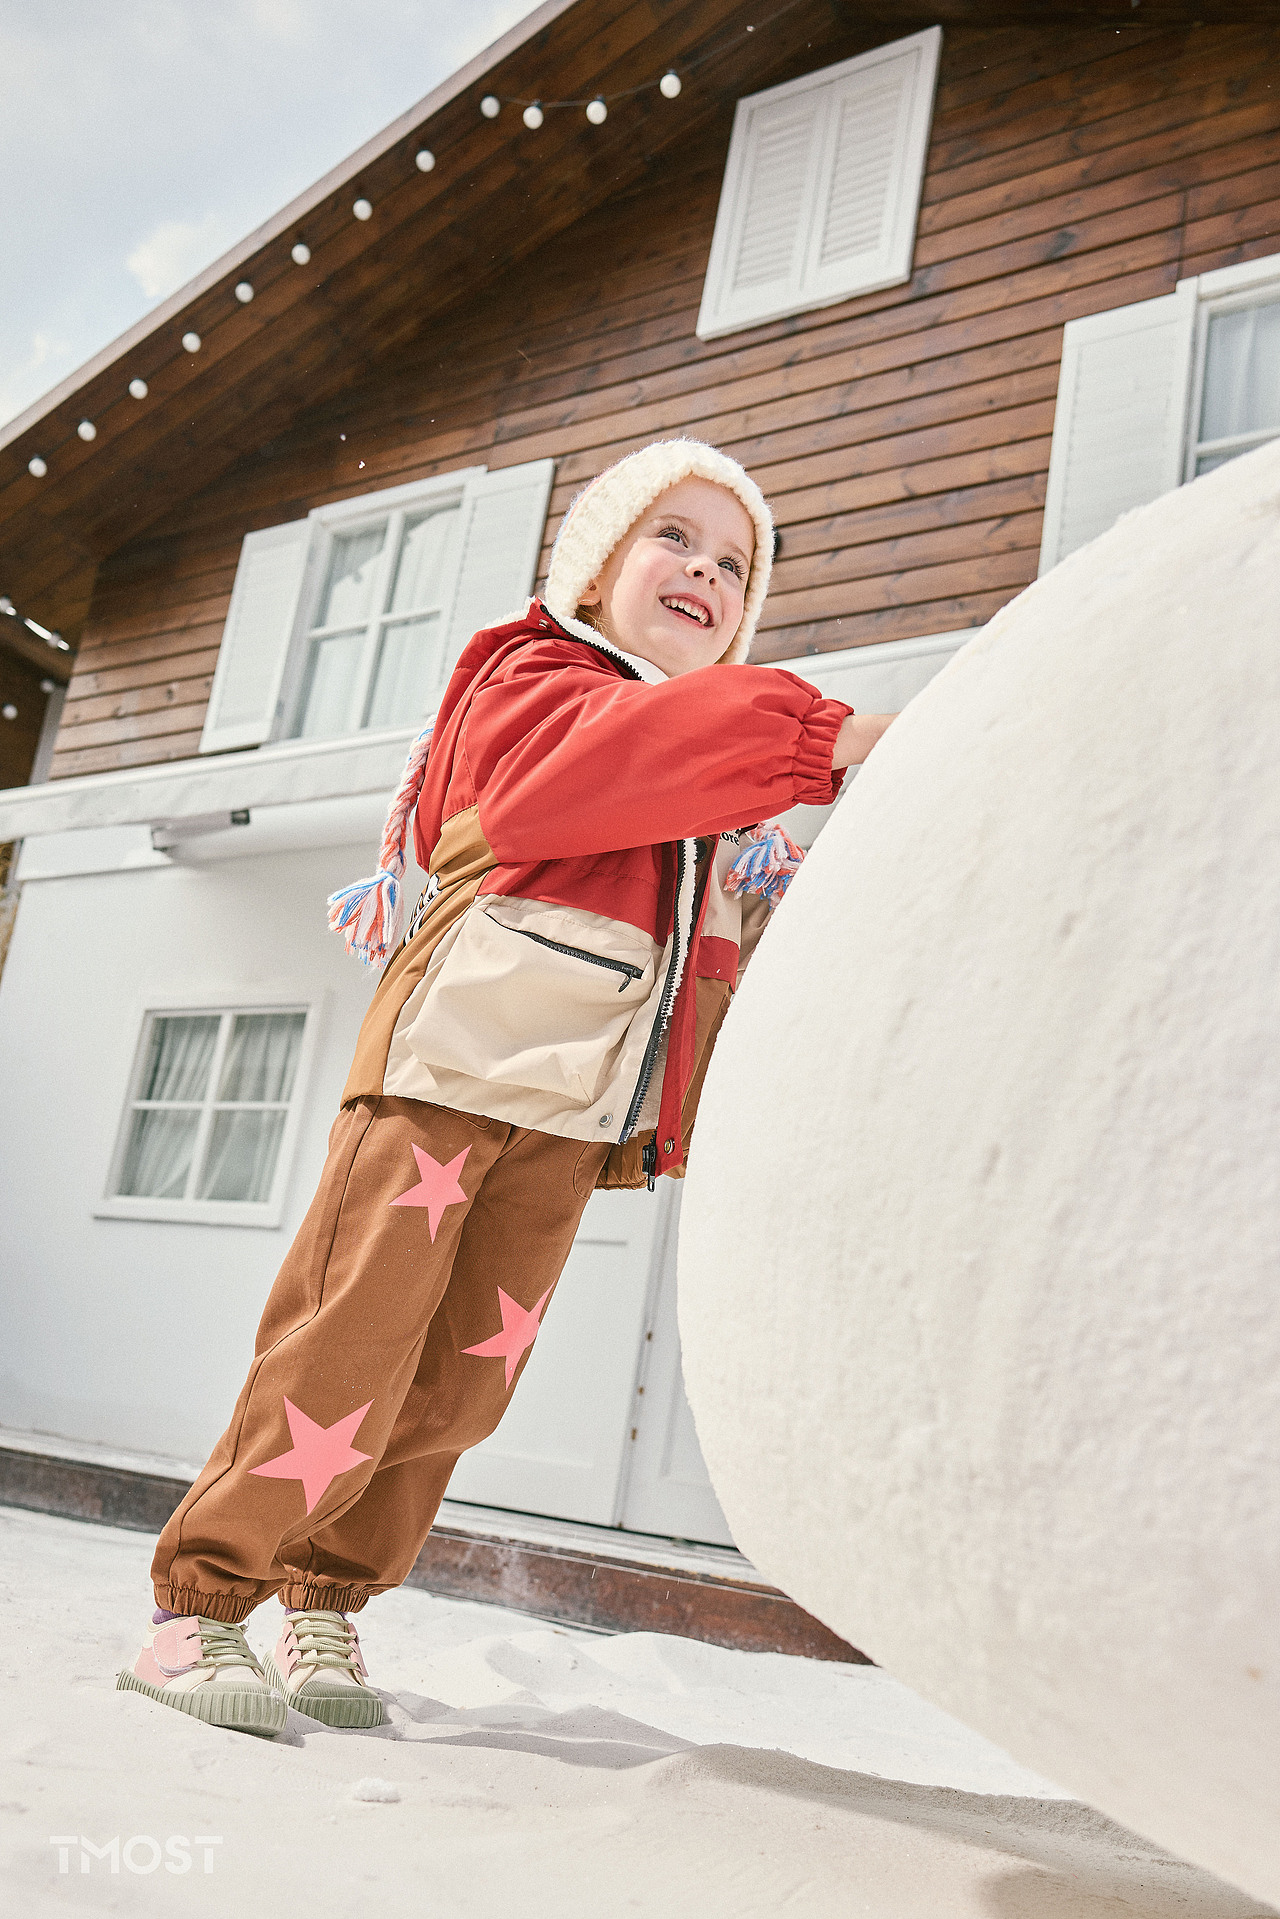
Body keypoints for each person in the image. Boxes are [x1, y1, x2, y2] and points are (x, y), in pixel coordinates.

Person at [118, 439, 895, 1735]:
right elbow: (572, 782)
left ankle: (328, 1597)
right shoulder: (538, 680)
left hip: (568, 1115)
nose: (704, 570)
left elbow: (712, 951)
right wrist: (826, 736)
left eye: (732, 562)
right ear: (595, 567)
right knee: (349, 1343)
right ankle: (197, 1608)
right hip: (448, 1077)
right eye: (674, 539)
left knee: (460, 1382)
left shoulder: (704, 797)